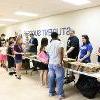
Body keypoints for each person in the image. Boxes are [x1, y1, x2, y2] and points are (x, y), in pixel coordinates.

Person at [48, 32, 65, 99]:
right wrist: (61, 62)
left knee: (51, 78)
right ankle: (60, 94)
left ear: (51, 37)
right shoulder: (59, 43)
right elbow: (60, 52)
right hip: (57, 63)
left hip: (50, 63)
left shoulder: (49, 44)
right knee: (59, 79)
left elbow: (48, 54)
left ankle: (51, 92)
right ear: (57, 36)